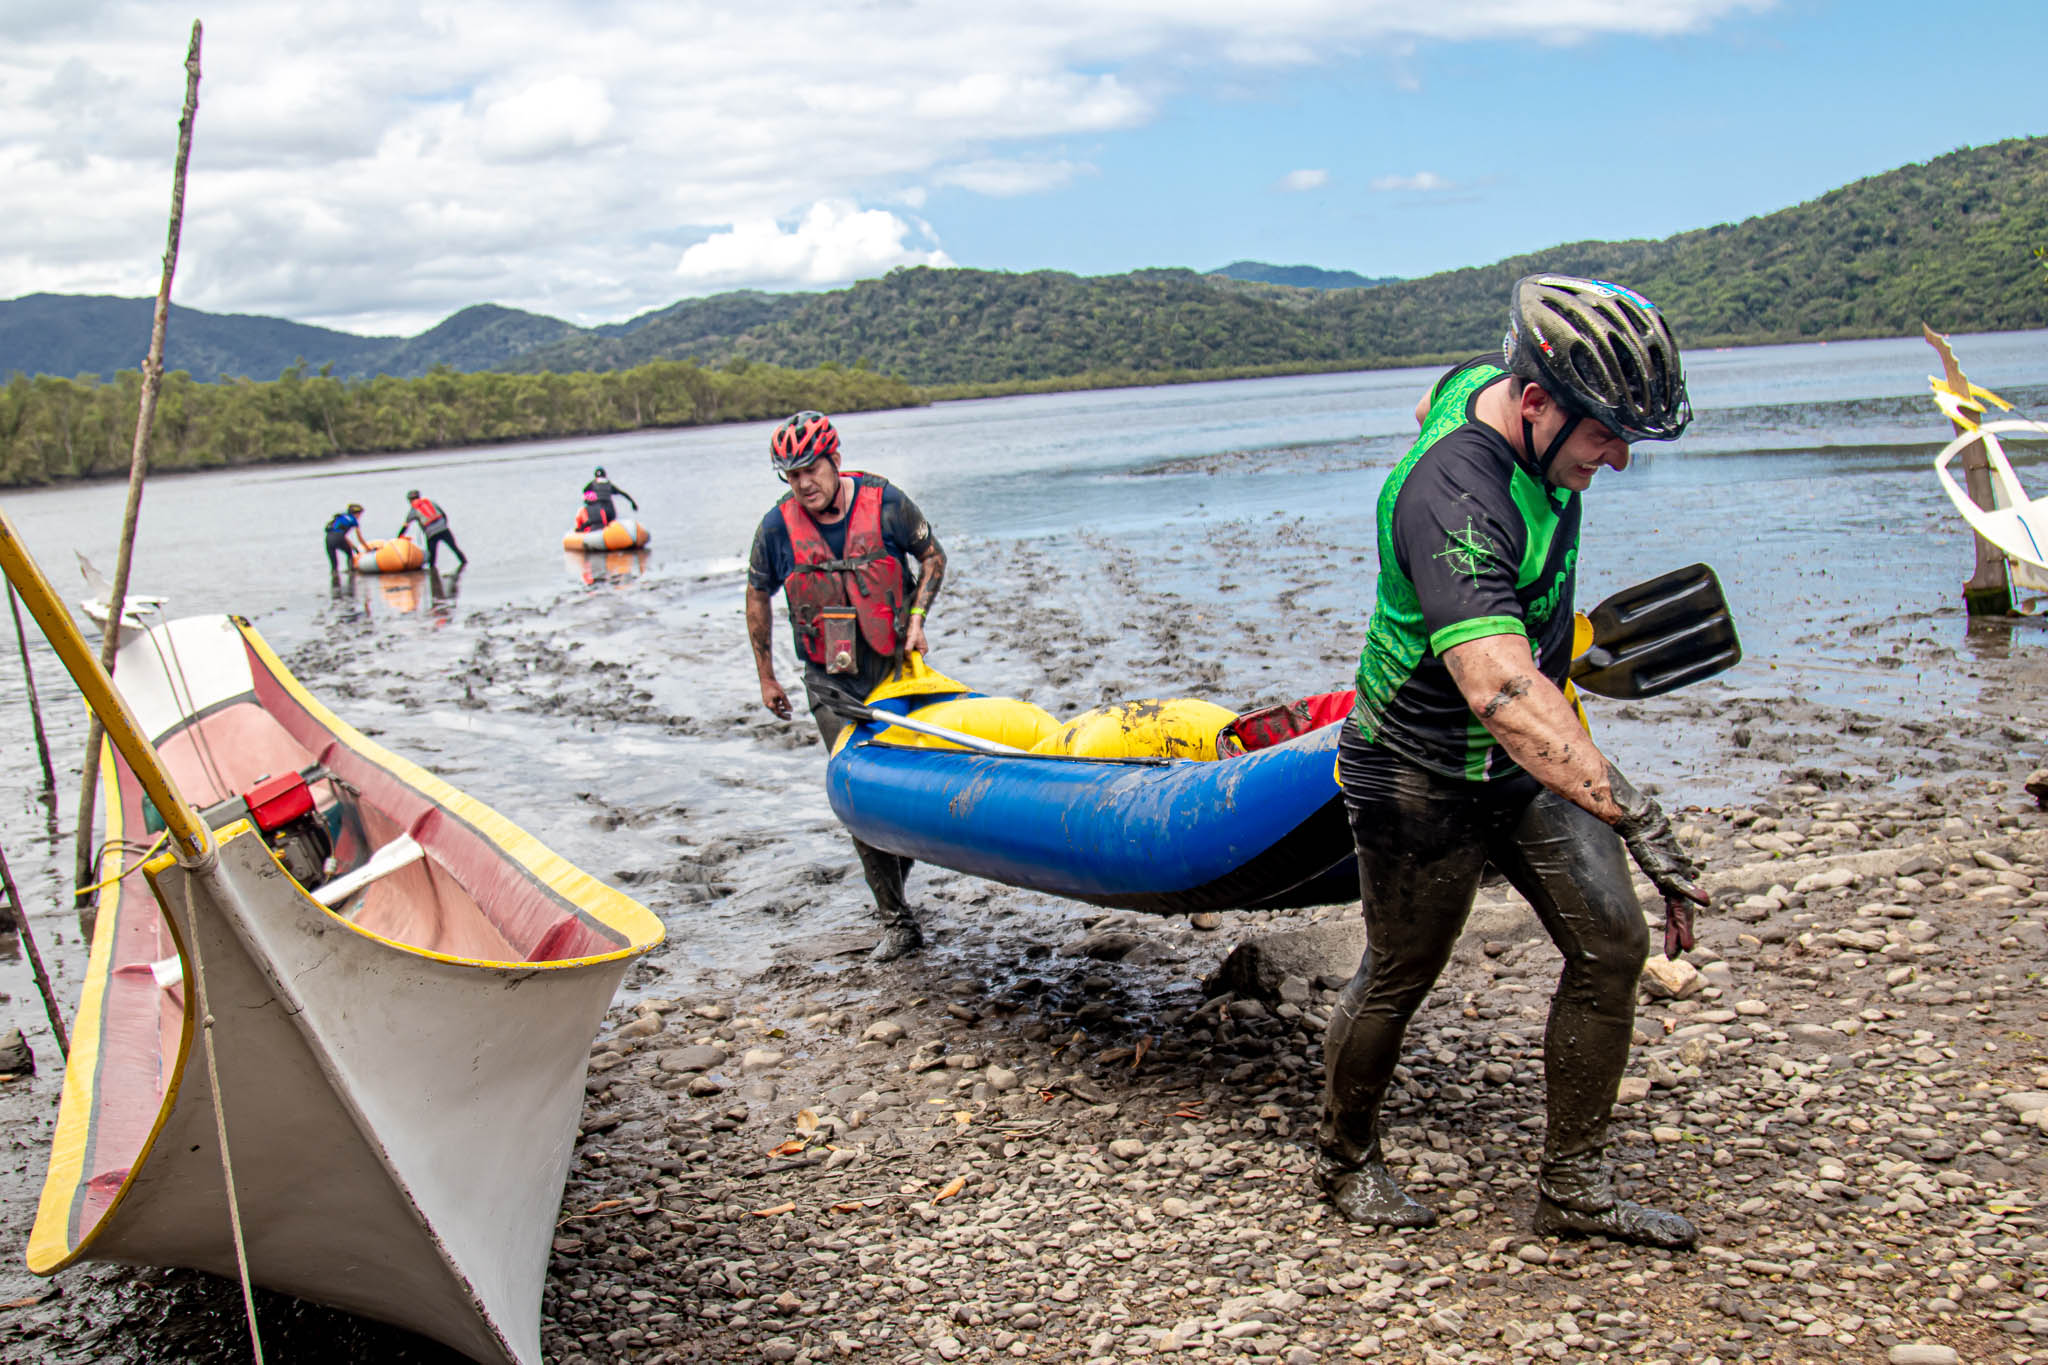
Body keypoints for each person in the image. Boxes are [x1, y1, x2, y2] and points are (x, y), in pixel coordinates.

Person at [1318, 275, 1709, 1251]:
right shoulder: (1455, 502)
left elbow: (1432, 395)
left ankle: (1571, 1190)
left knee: (1612, 944)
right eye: (1602, 436)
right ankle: (1343, 1163)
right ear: (1533, 403)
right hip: (1414, 767)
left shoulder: (1480, 384)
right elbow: (1495, 691)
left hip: (1521, 760)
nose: (1615, 459)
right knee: (1402, 968)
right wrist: (1633, 810)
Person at [744, 411, 947, 961]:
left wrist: (918, 617)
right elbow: (758, 594)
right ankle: (897, 923)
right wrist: (766, 675)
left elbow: (933, 557)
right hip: (831, 683)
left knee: (906, 783)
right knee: (857, 788)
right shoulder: (775, 529)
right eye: (791, 475)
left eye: (810, 468)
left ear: (834, 459)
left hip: (896, 668)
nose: (803, 483)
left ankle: (900, 871)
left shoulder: (886, 503)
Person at [398, 489, 467, 570]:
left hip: (431, 534)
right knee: (455, 549)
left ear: (410, 500)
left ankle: (433, 575)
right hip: (444, 529)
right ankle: (464, 564)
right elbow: (443, 514)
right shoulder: (430, 502)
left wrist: (399, 537)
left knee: (432, 557)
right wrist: (444, 525)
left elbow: (405, 526)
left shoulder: (413, 510)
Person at [324, 503, 369, 573]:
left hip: (328, 538)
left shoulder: (341, 516)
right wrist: (368, 549)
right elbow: (359, 538)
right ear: (356, 513)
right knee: (349, 553)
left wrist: (354, 548)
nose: (360, 517)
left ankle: (334, 575)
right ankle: (351, 570)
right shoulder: (353, 520)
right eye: (360, 514)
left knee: (334, 564)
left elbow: (342, 535)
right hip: (339, 537)